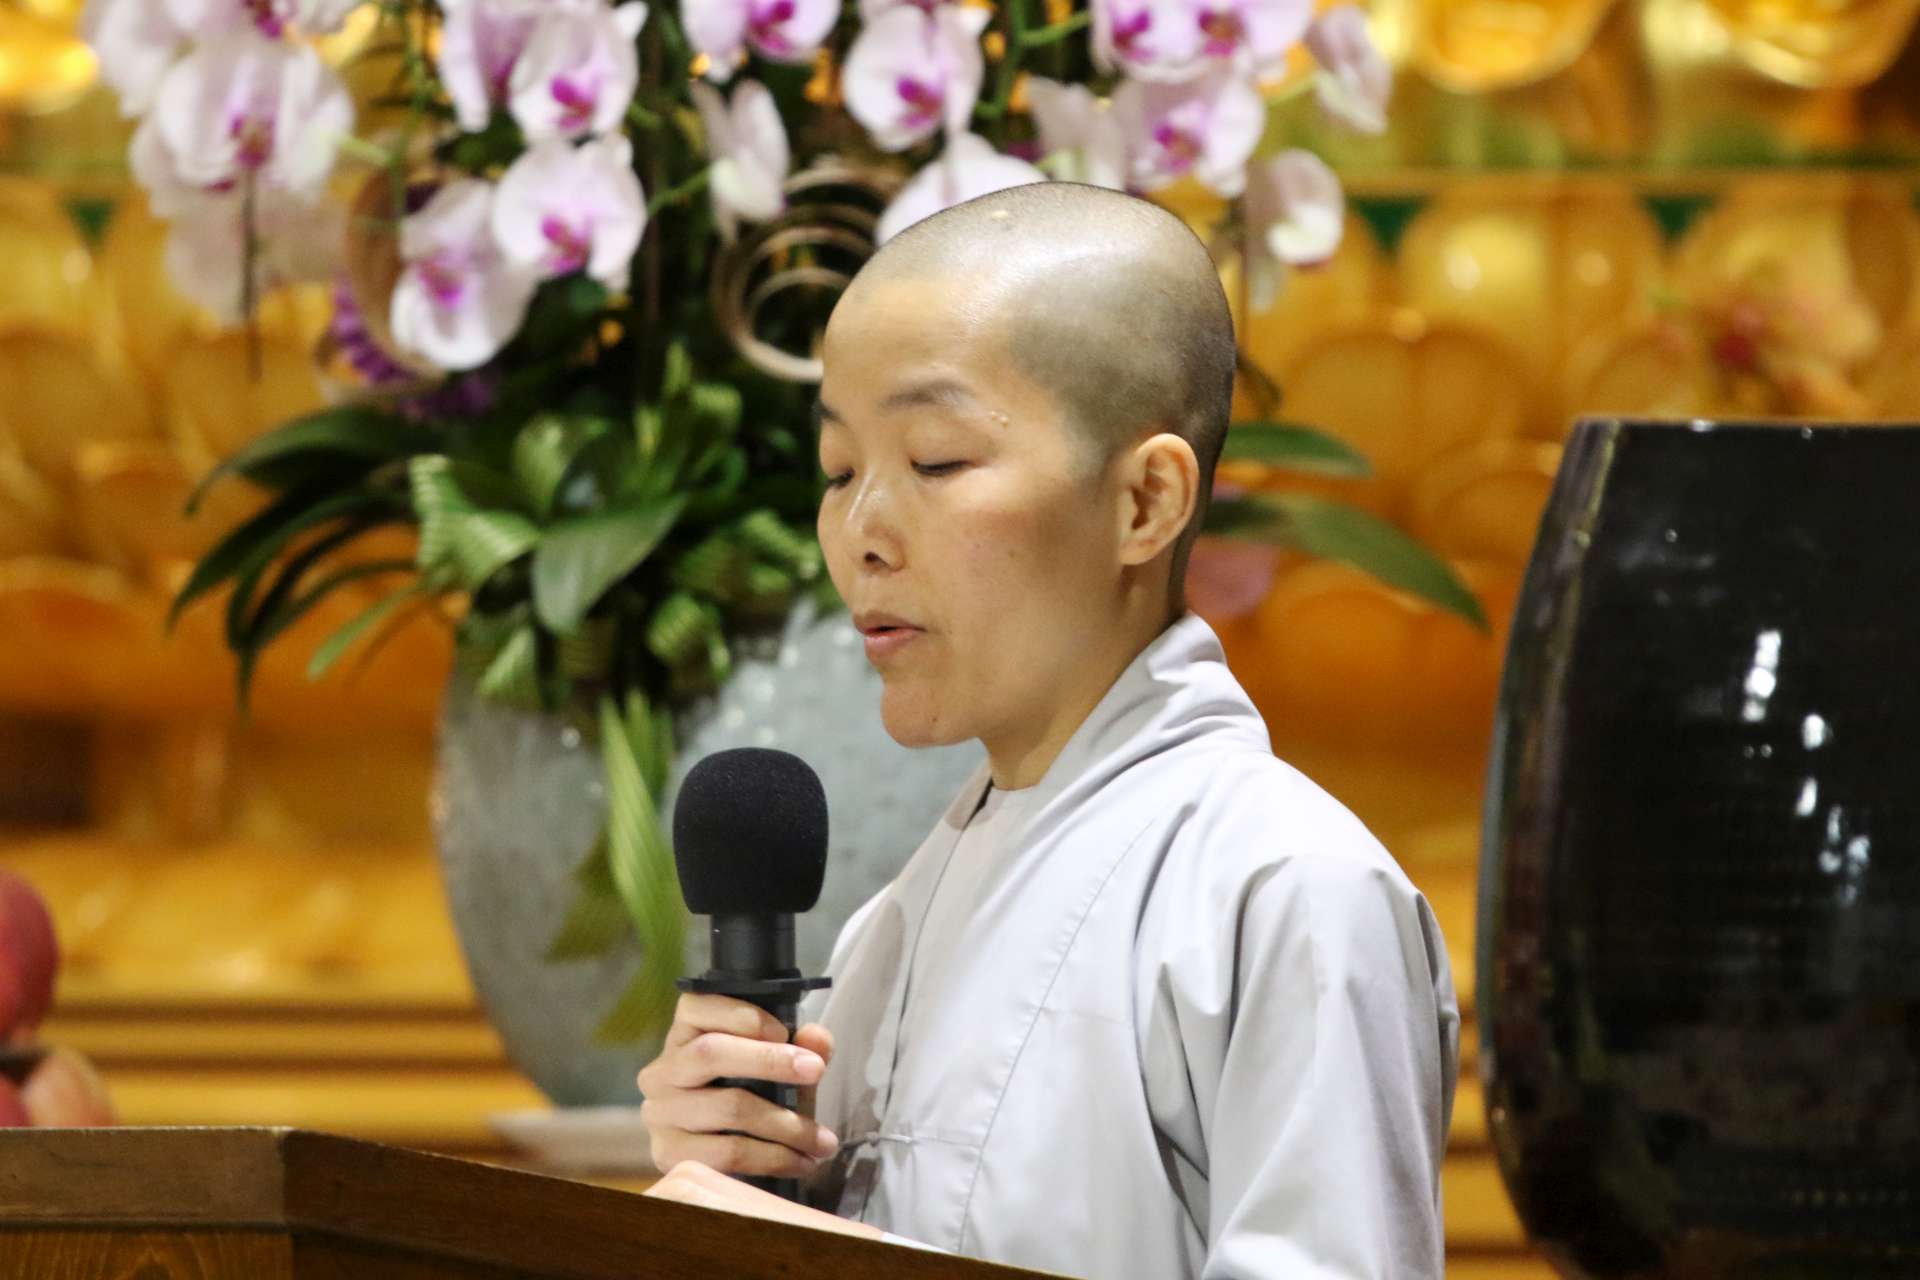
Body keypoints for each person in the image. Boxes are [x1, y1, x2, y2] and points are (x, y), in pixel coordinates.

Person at [639, 182, 1459, 1278]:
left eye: (935, 459)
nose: (859, 532)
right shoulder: (886, 930)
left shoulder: (1288, 892)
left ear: (1144, 502)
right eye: (839, 471)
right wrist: (734, 1179)